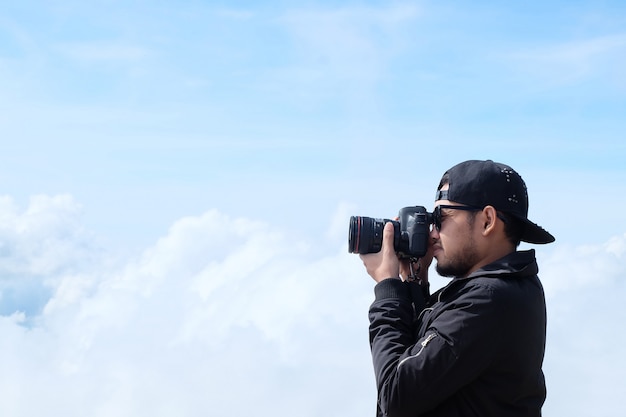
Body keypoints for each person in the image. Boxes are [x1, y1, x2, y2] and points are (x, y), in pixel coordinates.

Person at [360, 159, 554, 417]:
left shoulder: (488, 300)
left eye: (441, 218)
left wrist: (388, 289)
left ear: (487, 220)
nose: (432, 233)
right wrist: (414, 281)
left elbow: (396, 396)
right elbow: (425, 363)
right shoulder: (508, 287)